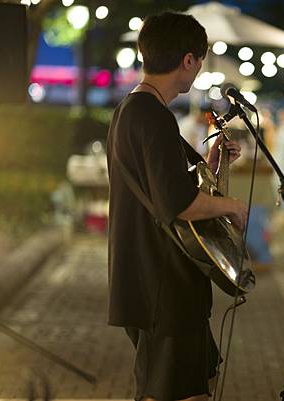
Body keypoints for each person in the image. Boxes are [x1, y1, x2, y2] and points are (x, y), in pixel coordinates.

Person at [106, 11, 247, 401]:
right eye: (199, 61)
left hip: (156, 276)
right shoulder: (150, 116)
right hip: (161, 281)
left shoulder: (135, 110)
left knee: (198, 379)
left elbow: (164, 189)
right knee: (169, 392)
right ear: (189, 60)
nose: (198, 71)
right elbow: (176, 202)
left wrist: (214, 166)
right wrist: (231, 206)